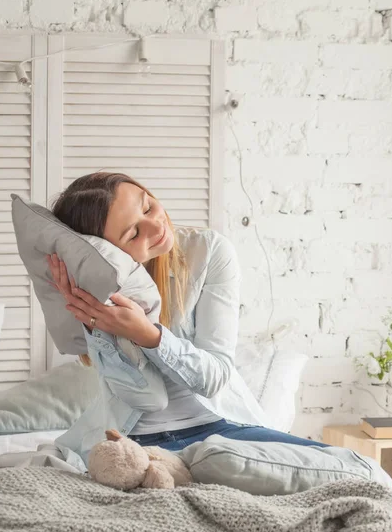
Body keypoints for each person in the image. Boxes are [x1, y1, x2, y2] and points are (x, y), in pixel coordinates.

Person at [48, 171, 329, 462]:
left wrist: (149, 335)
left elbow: (215, 377)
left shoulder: (208, 252)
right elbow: (141, 397)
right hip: (133, 439)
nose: (155, 227)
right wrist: (96, 325)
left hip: (222, 429)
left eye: (148, 207)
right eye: (133, 234)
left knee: (345, 464)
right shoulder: (90, 289)